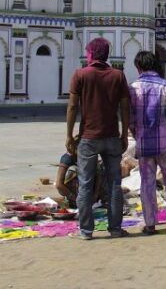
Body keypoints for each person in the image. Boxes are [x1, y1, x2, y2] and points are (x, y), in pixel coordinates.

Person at [65, 38, 131, 240]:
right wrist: (124, 132)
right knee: (114, 184)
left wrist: (69, 134)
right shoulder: (118, 75)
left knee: (86, 183)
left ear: (91, 54)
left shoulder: (81, 75)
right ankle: (115, 229)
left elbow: (73, 106)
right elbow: (125, 107)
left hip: (88, 136)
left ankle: (86, 231)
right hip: (111, 136)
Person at [129, 51, 166, 235]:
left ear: (138, 67)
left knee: (147, 183)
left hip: (144, 143)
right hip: (165, 142)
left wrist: (135, 133)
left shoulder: (133, 88)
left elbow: (130, 119)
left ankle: (150, 224)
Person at [54, 140, 107, 208]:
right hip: (75, 193)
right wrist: (74, 198)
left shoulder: (91, 154)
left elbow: (98, 175)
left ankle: (100, 200)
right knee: (73, 170)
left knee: (104, 169)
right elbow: (59, 185)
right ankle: (74, 202)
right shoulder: (67, 158)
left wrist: (95, 195)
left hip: (89, 188)